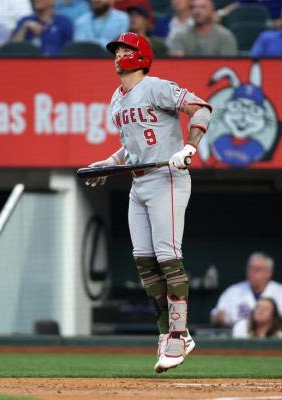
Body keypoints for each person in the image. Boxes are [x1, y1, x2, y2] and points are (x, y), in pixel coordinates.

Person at [84, 32, 212, 373]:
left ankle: (179, 334)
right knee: (143, 261)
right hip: (138, 181)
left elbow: (201, 109)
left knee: (169, 257)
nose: (118, 55)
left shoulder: (155, 86)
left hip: (167, 178)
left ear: (139, 55)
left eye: (125, 50)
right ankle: (165, 333)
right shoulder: (116, 99)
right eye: (116, 50)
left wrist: (189, 147)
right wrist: (106, 166)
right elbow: (130, 148)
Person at [210, 252, 282, 327]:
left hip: (271, 339)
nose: (252, 273)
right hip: (238, 339)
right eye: (250, 268)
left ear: (269, 273)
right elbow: (215, 316)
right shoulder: (233, 291)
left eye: (257, 269)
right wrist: (218, 317)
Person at [168, 0, 237, 56]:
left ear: (212, 11)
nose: (196, 11)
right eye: (193, 7)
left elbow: (229, 64)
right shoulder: (179, 35)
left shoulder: (225, 36)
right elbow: (177, 64)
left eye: (202, 7)